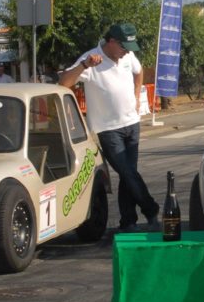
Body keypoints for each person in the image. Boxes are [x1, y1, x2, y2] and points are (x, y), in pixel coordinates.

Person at [59, 22, 160, 232]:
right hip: (108, 128)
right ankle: (151, 210)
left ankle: (128, 222)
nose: (126, 53)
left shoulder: (128, 56)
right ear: (112, 42)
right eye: (123, 47)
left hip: (132, 123)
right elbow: (64, 83)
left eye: (129, 49)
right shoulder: (92, 59)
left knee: (128, 174)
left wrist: (136, 92)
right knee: (127, 171)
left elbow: (139, 72)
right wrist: (84, 66)